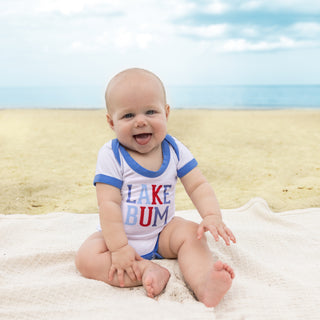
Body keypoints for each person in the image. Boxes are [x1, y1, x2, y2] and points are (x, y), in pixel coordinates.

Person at [75, 68, 236, 307]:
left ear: (166, 113)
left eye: (151, 111)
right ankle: (148, 270)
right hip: (120, 236)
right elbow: (107, 204)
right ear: (111, 122)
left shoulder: (174, 149)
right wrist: (119, 249)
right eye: (128, 116)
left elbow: (198, 185)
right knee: (85, 258)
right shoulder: (111, 155)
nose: (141, 121)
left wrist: (211, 215)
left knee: (192, 234)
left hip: (163, 233)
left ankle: (204, 284)